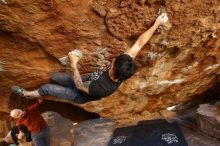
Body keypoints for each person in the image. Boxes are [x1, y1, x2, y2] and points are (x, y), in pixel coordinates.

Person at [11, 13, 168, 104]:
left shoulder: (102, 89)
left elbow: (79, 86)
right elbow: (139, 43)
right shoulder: (124, 67)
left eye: (114, 61)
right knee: (55, 77)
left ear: (114, 67)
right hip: (88, 79)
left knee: (47, 88)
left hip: (80, 93)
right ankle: (47, 91)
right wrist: (156, 24)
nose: (113, 59)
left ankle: (26, 94)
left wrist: (74, 64)